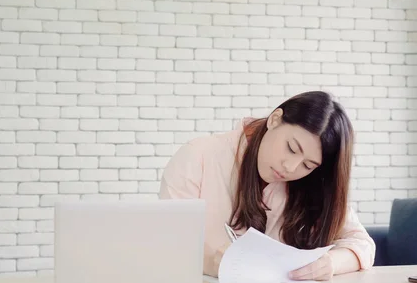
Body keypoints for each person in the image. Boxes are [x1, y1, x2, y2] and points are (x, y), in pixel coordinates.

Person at [159, 91, 375, 281]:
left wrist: (331, 263)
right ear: (275, 119)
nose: (290, 168)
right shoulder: (198, 157)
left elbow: (362, 243)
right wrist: (215, 263)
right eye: (291, 148)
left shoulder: (310, 184)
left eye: (308, 165)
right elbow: (168, 247)